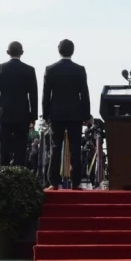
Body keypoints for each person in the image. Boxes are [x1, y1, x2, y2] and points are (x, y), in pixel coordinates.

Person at [42, 39, 90, 190]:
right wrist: (86, 115)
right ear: (73, 50)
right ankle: (76, 182)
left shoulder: (50, 69)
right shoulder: (80, 70)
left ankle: (53, 182)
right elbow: (84, 95)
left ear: (59, 50)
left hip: (56, 114)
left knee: (55, 148)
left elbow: (46, 96)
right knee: (75, 149)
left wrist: (45, 115)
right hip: (75, 114)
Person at [0, 41, 38, 167]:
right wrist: (33, 116)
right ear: (22, 53)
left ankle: (4, 175)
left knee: (3, 148)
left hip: (3, 113)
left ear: (7, 52)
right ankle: (19, 176)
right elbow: (33, 95)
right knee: (20, 148)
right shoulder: (29, 70)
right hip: (22, 113)